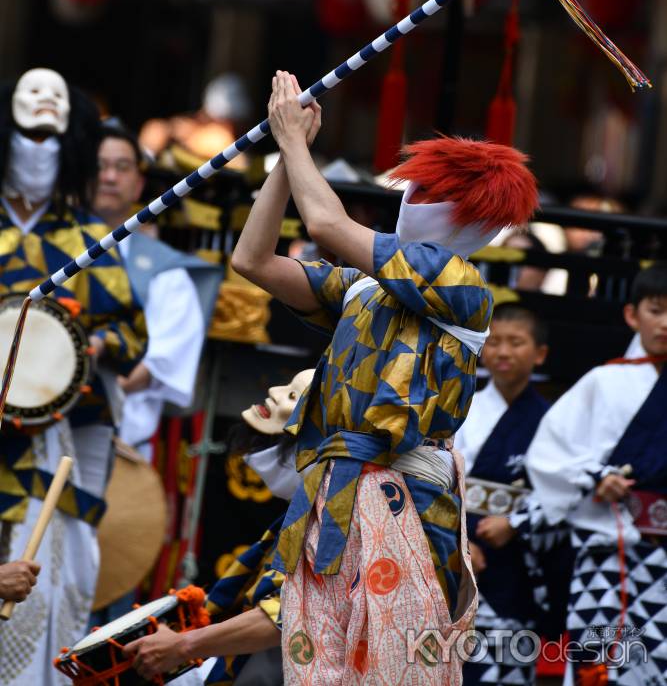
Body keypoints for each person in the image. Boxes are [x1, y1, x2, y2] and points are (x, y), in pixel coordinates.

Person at [230, 70, 539, 684]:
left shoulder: (461, 284)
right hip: (336, 488)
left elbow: (327, 228)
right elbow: (253, 260)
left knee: (391, 667)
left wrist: (295, 142)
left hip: (406, 498)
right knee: (320, 663)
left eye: (427, 191)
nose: (412, 198)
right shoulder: (365, 289)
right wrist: (281, 158)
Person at [0, 68, 146, 685]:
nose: (37, 147)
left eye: (52, 132)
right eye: (24, 130)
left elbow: (134, 336)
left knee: (53, 577)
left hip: (61, 436)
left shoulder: (92, 240)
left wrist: (80, 346)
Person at [123, 368, 316, 685]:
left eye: (293, 396)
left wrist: (184, 645)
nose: (274, 391)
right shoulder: (309, 504)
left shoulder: (338, 510)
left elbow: (287, 614)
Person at [526, 263, 667, 685]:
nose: (666, 323)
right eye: (657, 310)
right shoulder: (604, 381)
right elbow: (547, 455)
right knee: (597, 669)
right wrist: (593, 477)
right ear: (631, 315)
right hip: (605, 548)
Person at [92, 125, 222, 458]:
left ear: (138, 182)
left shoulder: (166, 271)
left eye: (121, 167)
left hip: (119, 444)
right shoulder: (42, 250)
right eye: (99, 166)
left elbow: (163, 359)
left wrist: (94, 394)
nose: (108, 177)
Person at [455, 304, 551, 686]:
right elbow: (439, 479)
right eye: (494, 342)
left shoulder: (552, 418)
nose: (504, 352)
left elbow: (561, 490)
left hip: (514, 559)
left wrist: (516, 522)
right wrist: (457, 542)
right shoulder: (463, 406)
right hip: (457, 551)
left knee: (507, 665)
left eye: (516, 342)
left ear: (539, 353)